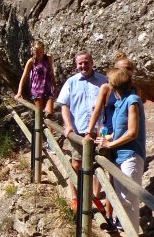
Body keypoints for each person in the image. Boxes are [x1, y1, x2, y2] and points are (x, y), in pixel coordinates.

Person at [84, 51, 136, 231]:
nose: (127, 71)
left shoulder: (133, 91)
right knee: (102, 172)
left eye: (130, 68)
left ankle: (111, 216)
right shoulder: (107, 88)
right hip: (107, 134)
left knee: (115, 177)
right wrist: (90, 132)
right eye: (123, 68)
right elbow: (98, 110)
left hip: (121, 138)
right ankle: (99, 206)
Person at [95, 67, 146, 234]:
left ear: (114, 83)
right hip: (120, 156)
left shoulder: (132, 101)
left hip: (131, 155)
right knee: (122, 198)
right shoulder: (119, 102)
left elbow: (132, 132)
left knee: (129, 199)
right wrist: (107, 138)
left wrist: (110, 144)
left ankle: (132, 232)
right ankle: (126, 230)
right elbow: (119, 131)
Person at [56, 50, 108, 211]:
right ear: (76, 65)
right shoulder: (71, 82)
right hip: (78, 131)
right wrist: (68, 125)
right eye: (80, 63)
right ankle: (75, 197)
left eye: (86, 62)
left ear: (92, 62)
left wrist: (105, 129)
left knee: (99, 164)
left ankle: (95, 197)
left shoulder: (103, 81)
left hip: (100, 130)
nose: (83, 66)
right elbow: (64, 105)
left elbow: (109, 104)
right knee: (76, 163)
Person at [14, 40, 55, 115]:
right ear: (33, 51)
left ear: (43, 51)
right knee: (40, 115)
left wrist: (55, 86)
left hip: (48, 89)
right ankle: (40, 126)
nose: (39, 54)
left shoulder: (48, 58)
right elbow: (23, 77)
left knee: (50, 114)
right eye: (37, 52)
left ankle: (48, 126)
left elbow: (51, 73)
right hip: (37, 91)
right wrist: (19, 92)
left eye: (41, 52)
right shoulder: (31, 61)